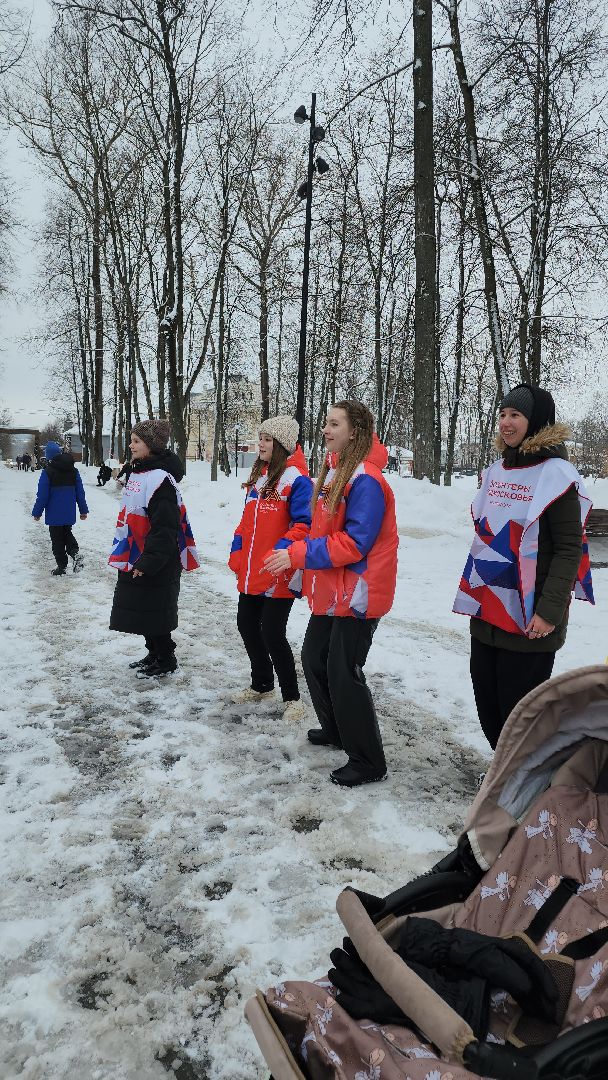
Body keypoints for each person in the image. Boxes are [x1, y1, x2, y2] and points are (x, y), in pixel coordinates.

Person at [264, 400, 398, 787]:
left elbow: (355, 543)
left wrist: (299, 555)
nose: (325, 429)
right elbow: (320, 529)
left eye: (334, 423)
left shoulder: (366, 479)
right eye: (326, 422)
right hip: (332, 590)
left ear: (355, 432)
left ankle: (368, 761)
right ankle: (338, 730)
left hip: (358, 592)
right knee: (314, 657)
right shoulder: (336, 470)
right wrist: (293, 550)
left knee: (343, 672)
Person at [453, 383, 594, 750]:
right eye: (502, 414)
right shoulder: (497, 471)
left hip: (531, 616)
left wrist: (549, 613)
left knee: (521, 714)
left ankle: (522, 777)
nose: (505, 422)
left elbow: (569, 550)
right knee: (488, 702)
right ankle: (505, 771)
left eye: (515, 414)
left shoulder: (557, 476)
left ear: (536, 421)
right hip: (489, 607)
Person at [229, 415, 313, 722]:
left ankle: (292, 698)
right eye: (260, 438)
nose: (260, 444)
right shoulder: (259, 479)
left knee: (272, 632)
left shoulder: (297, 480)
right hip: (252, 570)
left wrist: (279, 552)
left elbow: (304, 525)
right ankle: (262, 684)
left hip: (278, 570)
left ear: (282, 445)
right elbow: (245, 524)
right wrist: (237, 552)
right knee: (246, 624)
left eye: (267, 439)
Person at [108, 420, 200, 678]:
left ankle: (166, 658)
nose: (131, 445)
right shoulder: (139, 472)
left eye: (136, 441)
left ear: (152, 445)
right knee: (142, 608)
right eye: (132, 440)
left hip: (157, 557)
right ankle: (154, 653)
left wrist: (149, 560)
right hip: (136, 551)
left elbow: (165, 526)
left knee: (155, 610)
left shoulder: (161, 480)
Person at [32, 441, 88, 575]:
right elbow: (80, 492)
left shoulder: (47, 472)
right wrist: (83, 510)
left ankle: (62, 567)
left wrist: (37, 512)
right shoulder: (73, 471)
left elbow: (42, 496)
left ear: (48, 457)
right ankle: (75, 553)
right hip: (68, 512)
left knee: (57, 540)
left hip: (54, 514)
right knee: (67, 533)